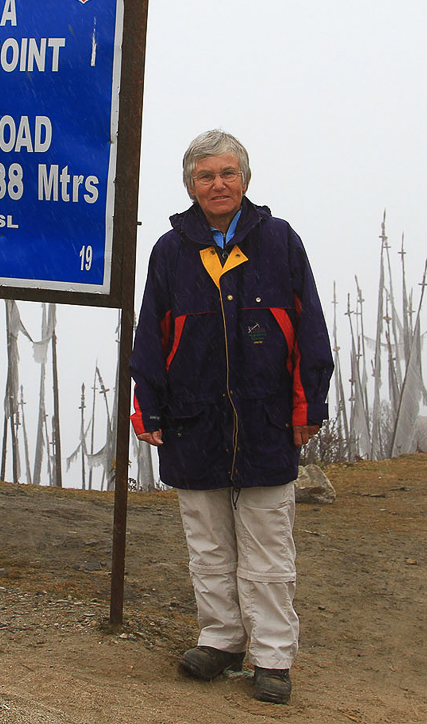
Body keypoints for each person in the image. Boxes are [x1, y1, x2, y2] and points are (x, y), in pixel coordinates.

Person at [129, 129, 333, 704]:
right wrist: (149, 402)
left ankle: (271, 656)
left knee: (268, 546)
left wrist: (309, 403)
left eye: (228, 174)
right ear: (190, 185)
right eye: (205, 176)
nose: (218, 185)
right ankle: (220, 640)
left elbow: (309, 330)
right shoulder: (170, 252)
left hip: (267, 422)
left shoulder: (281, 242)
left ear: (246, 178)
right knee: (209, 544)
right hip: (194, 423)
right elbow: (152, 337)